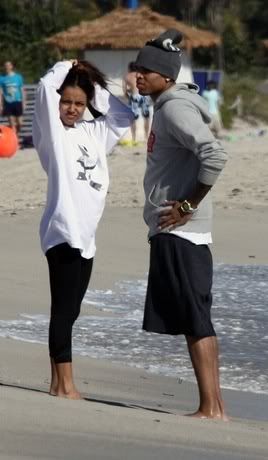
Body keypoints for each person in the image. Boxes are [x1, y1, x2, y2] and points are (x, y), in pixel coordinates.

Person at [134, 29, 228, 419]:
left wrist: (188, 204)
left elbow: (214, 155)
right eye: (138, 67)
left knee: (195, 318)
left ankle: (211, 408)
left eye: (147, 70)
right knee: (194, 317)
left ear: (166, 76)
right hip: (176, 231)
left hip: (181, 231)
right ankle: (213, 405)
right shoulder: (166, 104)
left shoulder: (175, 108)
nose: (138, 74)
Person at [32, 59, 133, 399]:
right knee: (62, 310)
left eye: (78, 103)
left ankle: (59, 383)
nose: (72, 108)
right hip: (62, 232)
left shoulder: (93, 133)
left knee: (71, 311)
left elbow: (122, 116)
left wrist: (91, 83)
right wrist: (68, 65)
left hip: (87, 239)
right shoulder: (52, 134)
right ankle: (64, 385)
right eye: (66, 102)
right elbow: (46, 88)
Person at [122, 61, 151, 144]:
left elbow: (124, 91)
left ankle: (134, 137)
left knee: (133, 119)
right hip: (144, 95)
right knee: (146, 117)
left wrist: (129, 95)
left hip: (134, 97)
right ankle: (146, 137)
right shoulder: (140, 75)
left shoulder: (127, 76)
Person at [0, 61, 25, 136]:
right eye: (5, 66)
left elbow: (22, 90)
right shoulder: (2, 78)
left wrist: (23, 102)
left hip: (17, 101)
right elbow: (0, 92)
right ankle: (15, 140)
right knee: (12, 124)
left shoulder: (18, 77)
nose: (7, 67)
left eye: (8, 65)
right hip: (8, 102)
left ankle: (14, 134)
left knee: (20, 123)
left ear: (11, 66)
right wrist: (1, 105)